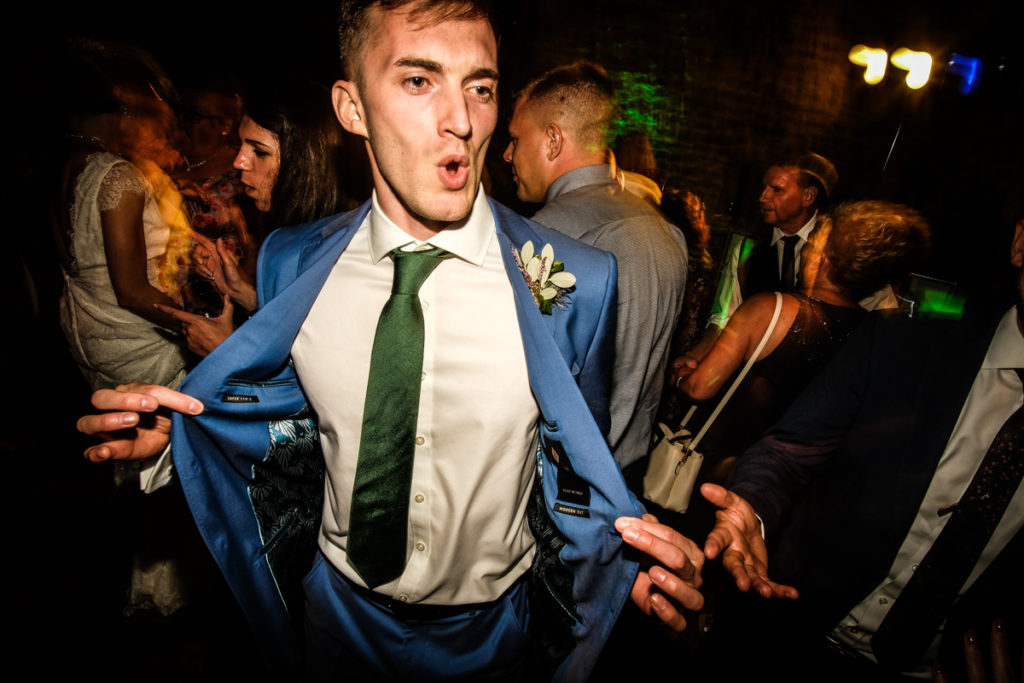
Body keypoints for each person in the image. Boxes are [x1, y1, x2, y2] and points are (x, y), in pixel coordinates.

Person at [76, 2, 702, 680]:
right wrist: (187, 436)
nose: (461, 120)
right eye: (418, 80)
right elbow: (285, 414)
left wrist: (620, 566)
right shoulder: (291, 259)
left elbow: (577, 466)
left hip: (492, 640)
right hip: (333, 623)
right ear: (350, 107)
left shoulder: (577, 280)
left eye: (481, 87)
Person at [697, 212, 1024, 681]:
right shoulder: (904, 341)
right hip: (790, 631)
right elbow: (790, 449)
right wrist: (753, 506)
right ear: (1019, 243)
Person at [503, 60, 689, 472]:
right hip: (626, 479)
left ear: (553, 140)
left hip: (557, 486)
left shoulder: (546, 236)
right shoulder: (667, 231)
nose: (507, 153)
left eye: (515, 138)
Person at [163, 79, 372, 356]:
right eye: (241, 146)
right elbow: (297, 325)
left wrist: (229, 350)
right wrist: (242, 292)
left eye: (259, 151)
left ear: (306, 161)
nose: (239, 162)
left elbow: (319, 376)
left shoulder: (344, 252)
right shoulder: (299, 233)